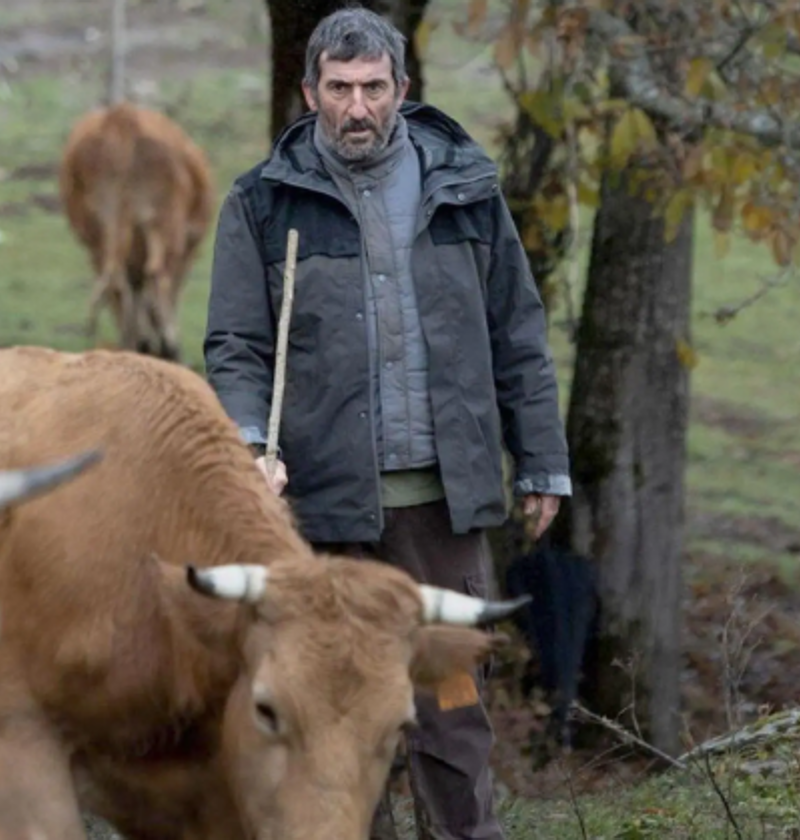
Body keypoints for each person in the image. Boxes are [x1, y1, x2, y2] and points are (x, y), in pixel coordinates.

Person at [203, 7, 571, 839]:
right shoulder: (263, 204)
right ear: (310, 92)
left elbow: (518, 329)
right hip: (323, 512)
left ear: (402, 90)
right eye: (339, 89)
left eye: (373, 88)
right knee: (333, 716)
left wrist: (542, 459)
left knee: (449, 705)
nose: (357, 108)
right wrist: (251, 443)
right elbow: (235, 347)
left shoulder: (465, 191)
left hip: (442, 509)